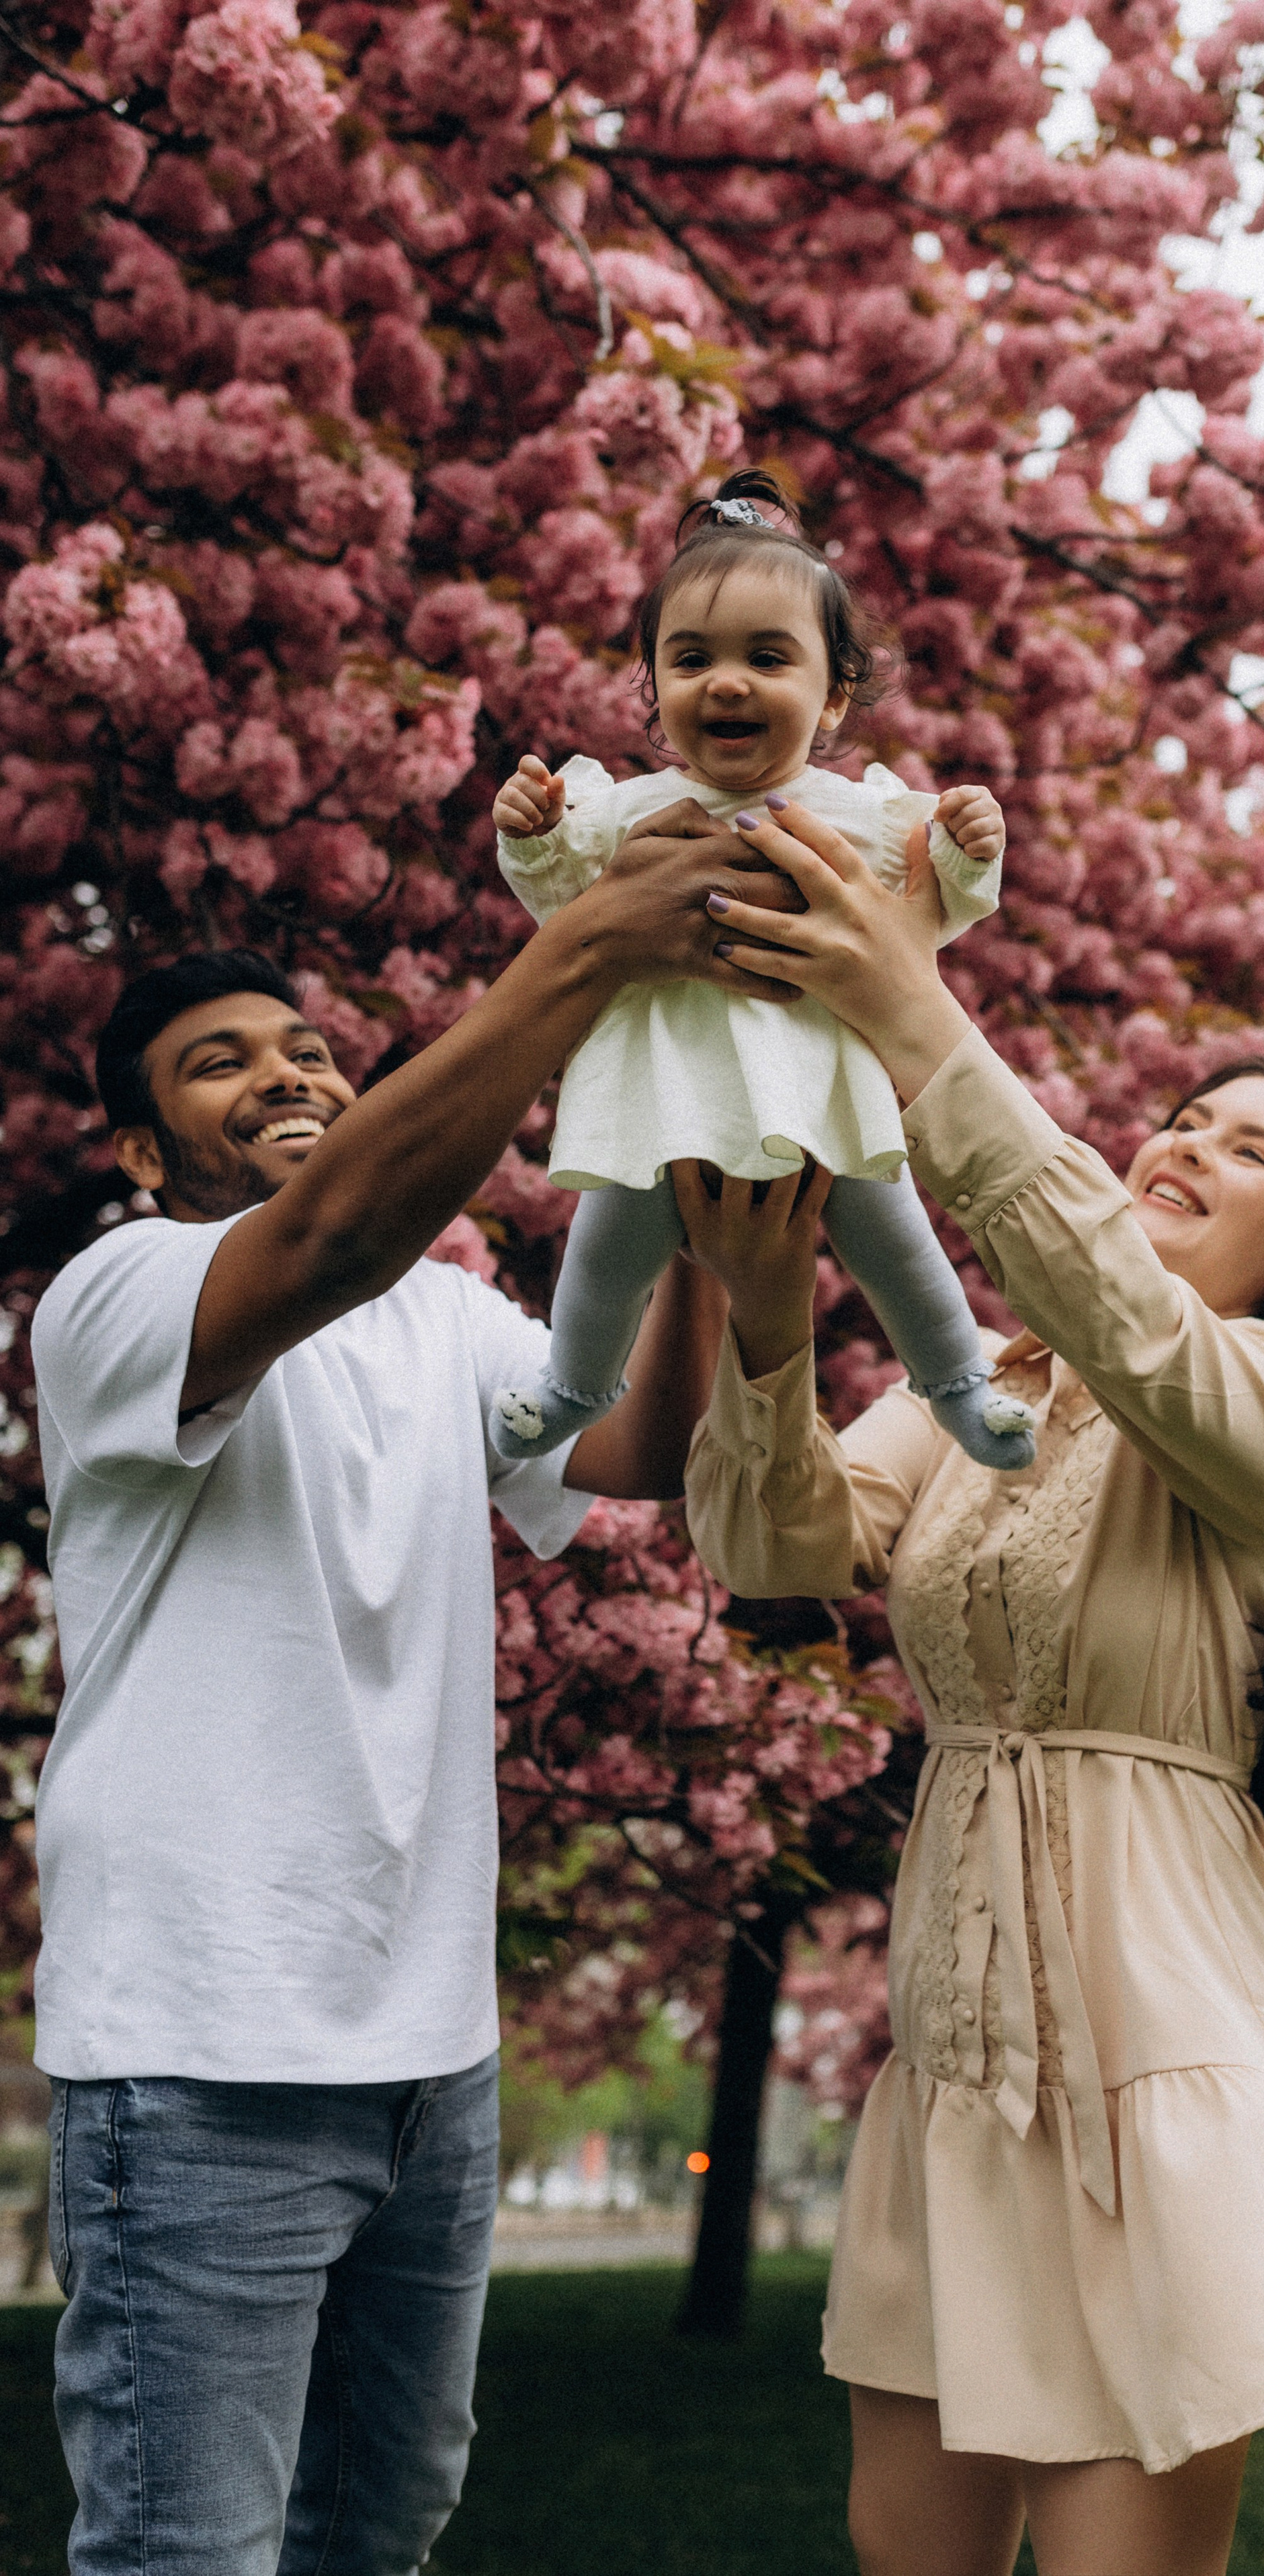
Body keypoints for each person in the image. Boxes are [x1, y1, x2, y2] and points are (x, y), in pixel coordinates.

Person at [676, 801, 1264, 2576]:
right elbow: (780, 1546)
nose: (1181, 1145)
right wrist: (766, 1326)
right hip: (960, 2050)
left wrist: (919, 1010)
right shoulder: (982, 1389)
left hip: (1173, 2047)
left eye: (1244, 1154)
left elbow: (1114, 1302)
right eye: (1178, 1117)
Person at [30, 797, 799, 2576]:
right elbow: (325, 1242)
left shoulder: (439, 1320)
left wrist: (693, 1221)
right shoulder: (120, 1295)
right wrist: (592, 946)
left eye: (306, 1049)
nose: (283, 1075)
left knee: (381, 2527)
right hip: (200, 2056)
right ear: (145, 1153)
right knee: (186, 2554)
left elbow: (634, 1445)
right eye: (218, 1067)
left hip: (429, 2061)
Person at [487, 466, 1037, 1475]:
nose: (727, 681)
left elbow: (932, 910)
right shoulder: (631, 809)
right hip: (666, 1090)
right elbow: (564, 895)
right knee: (604, 1253)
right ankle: (575, 1382)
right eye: (691, 659)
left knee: (897, 1242)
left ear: (832, 699)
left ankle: (960, 1381)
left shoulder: (863, 812)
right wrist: (533, 832)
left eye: (766, 658)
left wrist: (968, 843)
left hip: (819, 1085)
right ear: (655, 689)